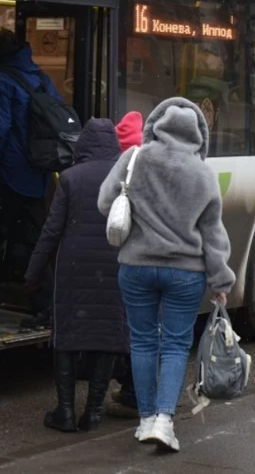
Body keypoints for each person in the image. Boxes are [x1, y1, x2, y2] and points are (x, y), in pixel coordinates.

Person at [98, 97, 234, 453]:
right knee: (175, 344)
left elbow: (104, 203)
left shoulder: (134, 158)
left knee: (142, 341)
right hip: (185, 273)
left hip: (136, 267)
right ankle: (164, 420)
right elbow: (213, 234)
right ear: (199, 135)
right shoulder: (203, 173)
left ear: (155, 125)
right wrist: (221, 281)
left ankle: (144, 420)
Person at [25, 118, 128, 432]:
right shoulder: (126, 179)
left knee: (67, 339)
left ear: (83, 144)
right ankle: (93, 412)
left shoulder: (70, 178)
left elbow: (51, 230)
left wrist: (33, 273)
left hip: (73, 269)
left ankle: (65, 412)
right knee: (108, 338)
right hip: (115, 267)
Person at [0, 28, 61, 322]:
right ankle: (37, 297)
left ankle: (44, 302)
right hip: (40, 171)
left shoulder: (0, 81)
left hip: (11, 174)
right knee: (30, 235)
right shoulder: (41, 78)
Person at [105, 110, 144, 420]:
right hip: (154, 267)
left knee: (132, 329)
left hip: (130, 267)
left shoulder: (117, 175)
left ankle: (132, 392)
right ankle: (140, 393)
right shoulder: (155, 171)